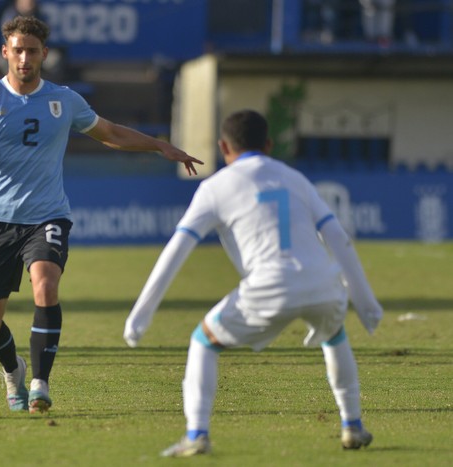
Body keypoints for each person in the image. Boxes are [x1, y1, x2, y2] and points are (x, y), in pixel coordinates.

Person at [0, 16, 202, 415]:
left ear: (44, 55)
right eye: (17, 50)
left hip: (47, 216)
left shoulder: (63, 100)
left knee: (46, 286)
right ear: (5, 52)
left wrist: (159, 145)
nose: (24, 58)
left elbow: (111, 133)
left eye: (32, 51)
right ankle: (13, 370)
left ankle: (39, 384)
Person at [124, 109, 383, 457]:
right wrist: (366, 305)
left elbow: (177, 248)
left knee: (203, 340)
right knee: (334, 335)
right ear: (269, 145)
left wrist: (140, 316)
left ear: (223, 147)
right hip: (322, 282)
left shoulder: (214, 188)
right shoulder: (296, 178)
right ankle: (352, 425)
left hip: (268, 287)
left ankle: (197, 433)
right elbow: (338, 237)